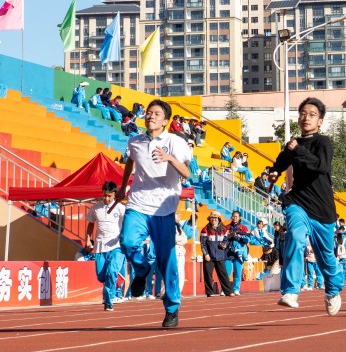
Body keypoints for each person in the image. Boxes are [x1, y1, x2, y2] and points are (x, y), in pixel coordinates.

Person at [118, 98, 192, 328]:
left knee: (166, 260)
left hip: (164, 208)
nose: (151, 116)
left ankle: (172, 308)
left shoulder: (176, 142)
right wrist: (123, 187)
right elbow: (130, 162)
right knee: (127, 241)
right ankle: (141, 269)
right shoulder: (135, 141)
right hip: (138, 203)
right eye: (149, 112)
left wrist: (169, 158)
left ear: (166, 121)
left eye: (157, 114)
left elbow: (187, 173)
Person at [268, 97, 344, 315]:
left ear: (320, 121)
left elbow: (321, 167)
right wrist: (273, 172)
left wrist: (297, 151)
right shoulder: (292, 145)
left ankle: (333, 290)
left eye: (312, 114)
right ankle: (291, 291)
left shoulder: (323, 143)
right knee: (295, 236)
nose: (306, 117)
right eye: (303, 113)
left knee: (326, 258)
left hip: (322, 208)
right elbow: (279, 164)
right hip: (298, 202)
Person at [85, 181, 127, 311]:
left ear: (115, 195)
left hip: (116, 246)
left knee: (112, 271)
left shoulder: (120, 208)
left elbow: (127, 223)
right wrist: (88, 239)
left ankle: (109, 301)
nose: (106, 198)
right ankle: (113, 282)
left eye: (109, 196)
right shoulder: (95, 208)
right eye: (104, 195)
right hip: (100, 246)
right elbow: (91, 223)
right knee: (101, 276)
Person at [200, 211, 235, 297]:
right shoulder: (205, 229)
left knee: (223, 274)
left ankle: (228, 291)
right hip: (209, 256)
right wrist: (206, 254)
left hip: (220, 255)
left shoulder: (224, 229)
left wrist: (224, 244)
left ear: (219, 219)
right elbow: (203, 244)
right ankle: (210, 292)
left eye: (215, 218)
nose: (214, 219)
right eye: (212, 218)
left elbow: (226, 240)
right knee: (208, 275)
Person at [225, 210, 251, 295]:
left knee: (238, 272)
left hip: (239, 252)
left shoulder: (244, 228)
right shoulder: (227, 227)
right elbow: (223, 238)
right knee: (227, 272)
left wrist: (237, 237)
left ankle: (236, 289)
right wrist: (230, 236)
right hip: (228, 252)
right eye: (233, 216)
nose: (234, 218)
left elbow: (247, 240)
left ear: (240, 218)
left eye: (236, 216)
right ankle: (225, 289)